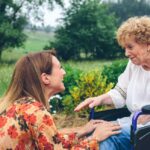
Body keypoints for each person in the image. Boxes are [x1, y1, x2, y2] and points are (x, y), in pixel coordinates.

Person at [0, 51, 121, 149]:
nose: (64, 72)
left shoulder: (18, 105)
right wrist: (94, 139)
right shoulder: (35, 112)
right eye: (60, 68)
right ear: (45, 78)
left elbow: (51, 143)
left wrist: (82, 131)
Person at [74, 16, 150, 150]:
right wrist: (99, 99)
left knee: (108, 138)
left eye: (130, 47)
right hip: (133, 123)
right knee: (94, 132)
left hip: (145, 129)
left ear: (148, 44)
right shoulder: (134, 65)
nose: (126, 53)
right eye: (124, 48)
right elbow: (120, 92)